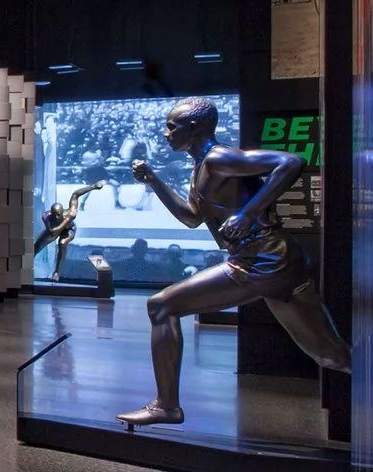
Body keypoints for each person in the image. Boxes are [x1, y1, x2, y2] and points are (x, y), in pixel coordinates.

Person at [117, 97, 350, 427]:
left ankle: (166, 406)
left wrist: (249, 213)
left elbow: (291, 162)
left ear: (194, 127)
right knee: (330, 354)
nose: (166, 133)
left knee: (161, 306)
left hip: (260, 261)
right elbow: (191, 218)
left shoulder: (218, 158)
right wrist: (154, 180)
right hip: (278, 261)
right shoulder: (201, 166)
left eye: (171, 126)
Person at [31, 178, 105, 279]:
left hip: (69, 229)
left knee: (62, 243)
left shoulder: (69, 212)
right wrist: (67, 219)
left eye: (58, 215)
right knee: (37, 246)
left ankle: (56, 272)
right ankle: (26, 264)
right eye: (54, 215)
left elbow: (75, 195)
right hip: (54, 230)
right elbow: (53, 232)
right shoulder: (46, 216)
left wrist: (93, 187)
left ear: (62, 212)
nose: (56, 217)